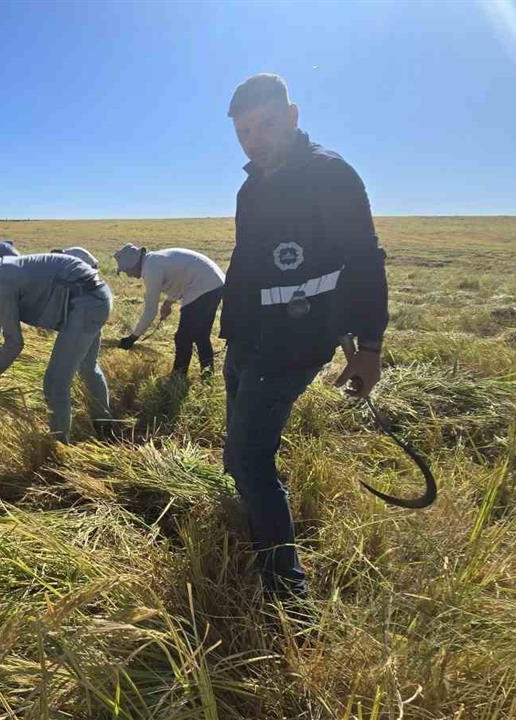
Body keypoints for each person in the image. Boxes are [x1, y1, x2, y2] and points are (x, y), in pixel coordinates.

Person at [220, 74, 388, 601]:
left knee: (249, 458)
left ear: (292, 116)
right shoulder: (252, 187)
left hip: (294, 342)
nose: (255, 138)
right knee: (239, 453)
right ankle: (252, 523)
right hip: (247, 337)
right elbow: (249, 265)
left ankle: (287, 601)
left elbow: (364, 261)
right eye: (245, 130)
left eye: (266, 124)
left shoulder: (330, 175)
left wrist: (371, 346)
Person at [0, 251, 113, 443]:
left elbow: (14, 343)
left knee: (55, 383)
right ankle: (105, 427)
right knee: (88, 368)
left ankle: (58, 448)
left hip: (86, 303)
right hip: (97, 296)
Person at [112, 244, 226, 375]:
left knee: (183, 337)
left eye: (127, 270)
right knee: (200, 335)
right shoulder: (154, 260)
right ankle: (207, 374)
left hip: (203, 286)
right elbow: (180, 277)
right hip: (215, 283)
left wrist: (132, 338)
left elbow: (150, 310)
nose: (128, 275)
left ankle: (179, 375)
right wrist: (168, 302)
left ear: (133, 264)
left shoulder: (151, 269)